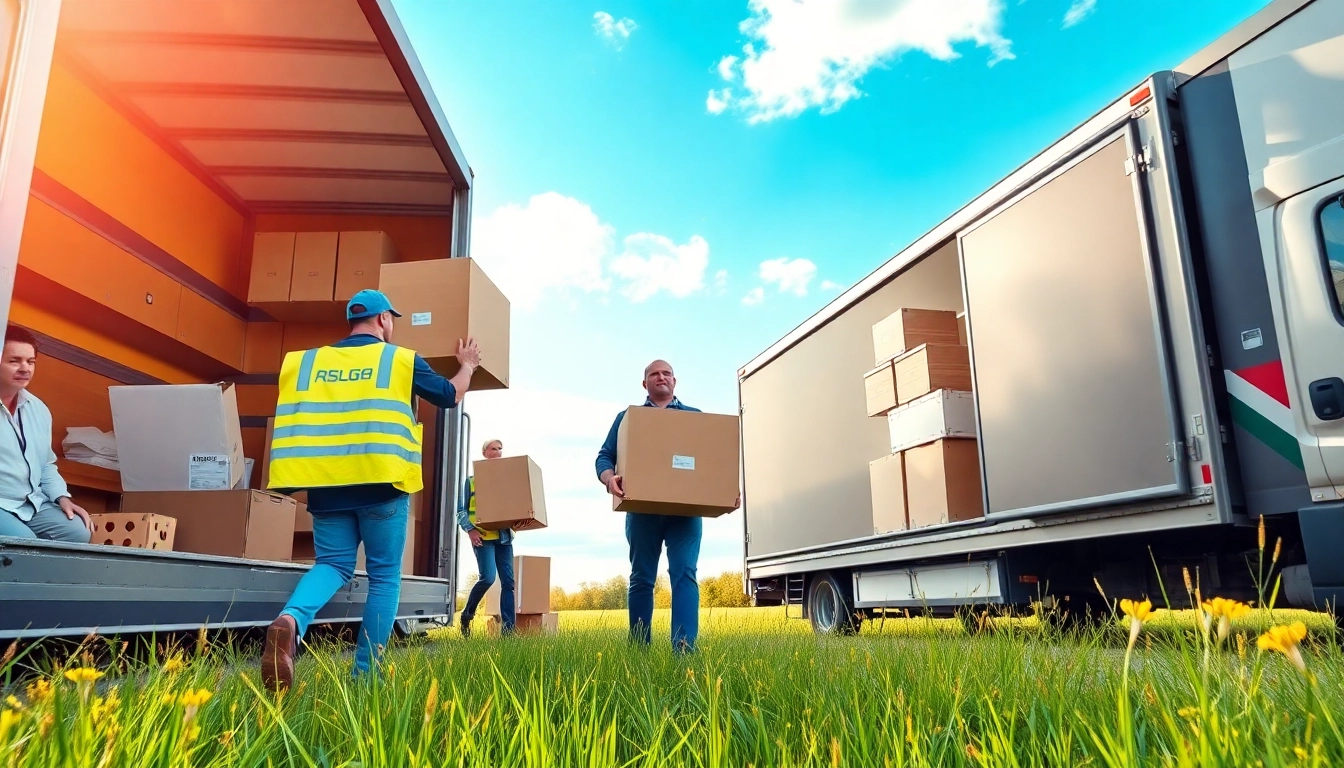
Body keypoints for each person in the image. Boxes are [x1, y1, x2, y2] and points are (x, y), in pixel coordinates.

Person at [261, 289, 480, 690]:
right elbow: (450, 395)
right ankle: (366, 677)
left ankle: (290, 621)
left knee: (332, 565)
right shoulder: (399, 359)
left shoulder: (308, 362)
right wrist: (467, 365)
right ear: (383, 320)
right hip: (380, 484)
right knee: (383, 577)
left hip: (325, 486)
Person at [595, 360, 737, 653]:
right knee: (641, 578)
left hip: (684, 514)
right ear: (644, 383)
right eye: (654, 374)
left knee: (684, 574)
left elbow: (715, 462)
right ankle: (638, 650)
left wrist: (727, 491)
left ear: (675, 381)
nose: (661, 377)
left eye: (666, 373)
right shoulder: (628, 418)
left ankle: (684, 650)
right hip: (641, 511)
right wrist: (609, 479)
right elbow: (604, 456)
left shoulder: (695, 418)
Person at [0, 325, 92, 543]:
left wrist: (62, 497)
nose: (25, 368)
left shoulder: (39, 409)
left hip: (29, 503)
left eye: (30, 362)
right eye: (15, 361)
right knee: (23, 542)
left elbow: (46, 464)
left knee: (78, 532)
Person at [456, 438, 516, 637]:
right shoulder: (471, 480)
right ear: (484, 453)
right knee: (488, 578)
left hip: (504, 538)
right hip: (482, 537)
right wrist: (470, 531)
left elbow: (516, 507)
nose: (498, 452)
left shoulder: (508, 481)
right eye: (493, 449)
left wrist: (522, 520)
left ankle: (508, 632)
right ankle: (467, 615)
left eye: (500, 449)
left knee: (508, 583)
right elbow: (460, 511)